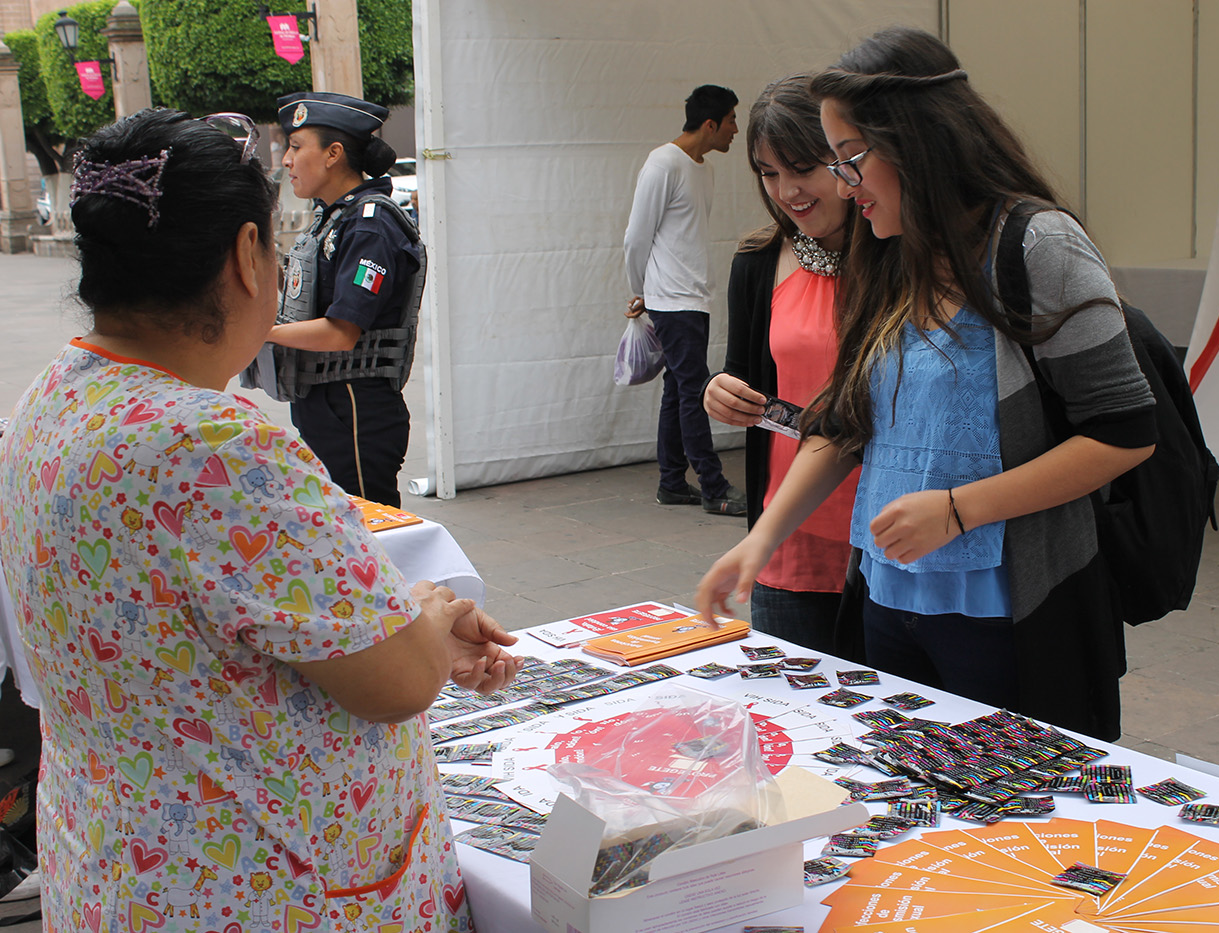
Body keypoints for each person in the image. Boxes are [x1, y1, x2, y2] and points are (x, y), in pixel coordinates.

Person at [0, 108, 518, 931]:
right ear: (248, 254)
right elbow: (398, 683)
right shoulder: (215, 446)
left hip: (121, 872)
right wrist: (424, 613)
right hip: (262, 888)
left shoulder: (49, 401)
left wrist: (410, 633)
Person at [696, 28, 1158, 742]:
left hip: (1008, 610)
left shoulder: (1039, 246)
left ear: (914, 142)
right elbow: (846, 425)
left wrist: (958, 509)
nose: (842, 186)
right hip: (888, 601)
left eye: (850, 159)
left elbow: (1124, 433)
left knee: (1011, 801)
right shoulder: (889, 253)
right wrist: (759, 543)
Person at [702, 75, 859, 653]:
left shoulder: (899, 256)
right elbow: (744, 376)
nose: (788, 191)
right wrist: (720, 392)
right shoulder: (758, 261)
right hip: (789, 532)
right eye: (768, 173)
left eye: (803, 169)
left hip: (892, 528)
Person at [250, 91, 423, 507]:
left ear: (333, 154)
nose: (287, 160)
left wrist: (259, 332)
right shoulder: (334, 217)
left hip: (354, 407)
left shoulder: (370, 226)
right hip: (326, 403)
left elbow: (341, 332)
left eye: (296, 147)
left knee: (368, 526)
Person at [624, 84, 747, 516]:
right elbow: (636, 236)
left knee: (678, 391)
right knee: (695, 390)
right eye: (731, 120)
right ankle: (713, 487)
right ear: (710, 124)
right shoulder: (663, 163)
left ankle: (672, 483)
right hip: (671, 299)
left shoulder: (704, 170)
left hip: (694, 296)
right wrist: (641, 289)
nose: (736, 130)